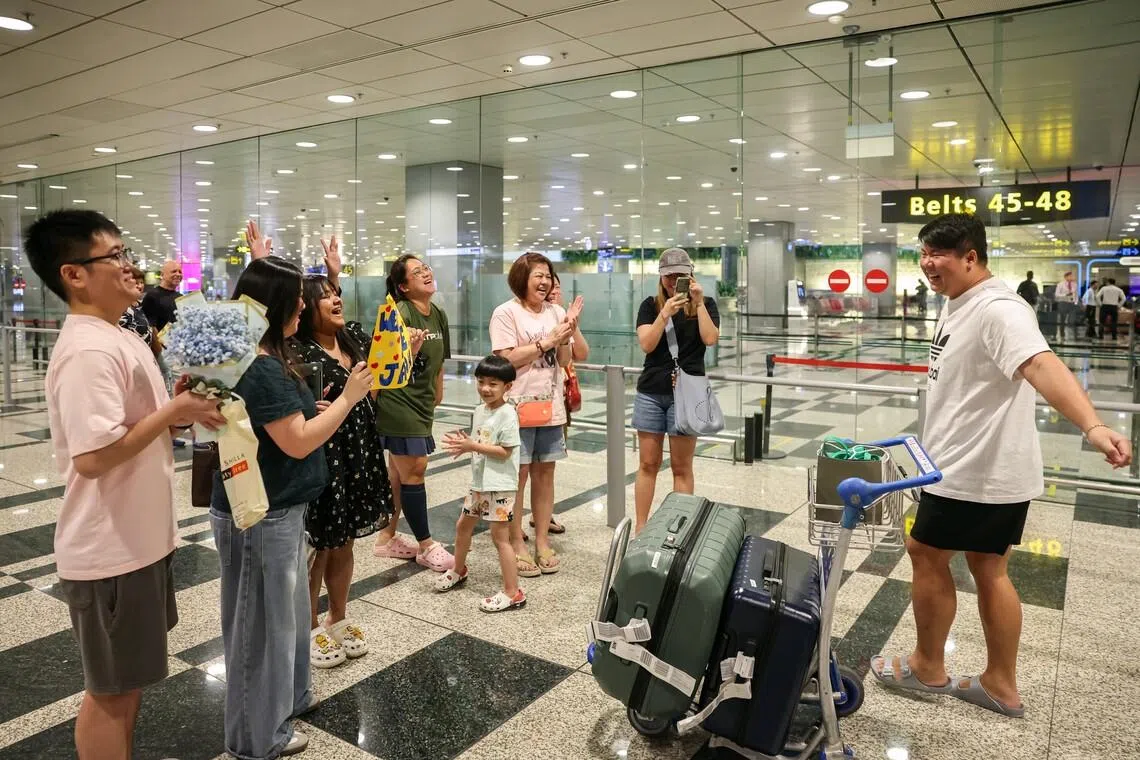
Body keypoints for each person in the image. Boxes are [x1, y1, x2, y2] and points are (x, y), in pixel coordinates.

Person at [871, 213, 1130, 720]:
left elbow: (1040, 363)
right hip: (976, 466)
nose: (928, 263)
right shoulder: (958, 302)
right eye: (923, 253)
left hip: (973, 470)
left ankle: (928, 667)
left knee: (925, 551)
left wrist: (1092, 426)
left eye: (940, 254)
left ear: (972, 257)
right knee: (989, 568)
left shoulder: (998, 308)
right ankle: (1000, 684)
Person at [26, 209, 225, 760]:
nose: (128, 265)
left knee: (127, 684)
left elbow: (143, 422)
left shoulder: (119, 335)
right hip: (108, 550)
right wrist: (170, 414)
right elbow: (91, 458)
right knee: (111, 694)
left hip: (138, 543)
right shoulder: (89, 349)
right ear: (74, 274)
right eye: (113, 255)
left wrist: (177, 409)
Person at [213, 255, 374, 758]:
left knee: (286, 617)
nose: (305, 304)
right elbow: (299, 443)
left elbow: (284, 426)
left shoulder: (267, 354)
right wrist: (346, 400)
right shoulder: (259, 366)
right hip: (262, 513)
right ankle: (256, 738)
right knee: (258, 628)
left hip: (282, 508)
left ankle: (290, 699)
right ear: (275, 304)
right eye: (298, 298)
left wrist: (315, 409)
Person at [293, 237, 422, 668]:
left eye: (336, 294)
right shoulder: (296, 352)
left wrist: (408, 353)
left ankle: (339, 617)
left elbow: (382, 377)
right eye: (326, 297)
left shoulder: (352, 339)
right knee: (322, 543)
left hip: (360, 448)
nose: (335, 300)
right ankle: (309, 626)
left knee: (345, 539)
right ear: (304, 309)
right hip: (323, 450)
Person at [490, 252, 584, 577]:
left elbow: (565, 358)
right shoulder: (506, 313)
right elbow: (506, 361)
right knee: (517, 478)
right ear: (522, 279)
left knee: (545, 476)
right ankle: (516, 542)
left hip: (550, 408)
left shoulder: (556, 311)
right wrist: (548, 341)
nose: (544, 282)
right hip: (514, 409)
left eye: (547, 276)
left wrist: (568, 331)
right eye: (537, 276)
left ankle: (542, 541)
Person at [371, 255, 455, 573]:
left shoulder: (438, 314)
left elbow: (440, 360)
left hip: (421, 403)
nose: (426, 273)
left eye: (426, 268)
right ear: (404, 286)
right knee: (415, 469)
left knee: (397, 473)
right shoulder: (397, 314)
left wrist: (439, 389)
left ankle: (386, 538)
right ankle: (426, 544)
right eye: (417, 272)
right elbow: (382, 364)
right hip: (398, 401)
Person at [631, 248, 720, 533]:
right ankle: (641, 528)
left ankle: (679, 529)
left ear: (690, 275)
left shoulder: (706, 303)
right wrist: (664, 314)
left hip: (688, 394)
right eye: (669, 276)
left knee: (682, 467)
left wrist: (699, 303)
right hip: (651, 392)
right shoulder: (650, 305)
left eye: (680, 275)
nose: (674, 281)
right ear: (661, 277)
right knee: (648, 463)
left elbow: (710, 338)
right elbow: (646, 343)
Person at [435, 355, 527, 612]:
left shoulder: (507, 414)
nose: (485, 388)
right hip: (479, 483)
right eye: (481, 381)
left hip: (500, 485)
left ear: (507, 387)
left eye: (493, 384)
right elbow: (480, 443)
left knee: (501, 538)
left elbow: (505, 451)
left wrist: (471, 446)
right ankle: (458, 569)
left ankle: (513, 592)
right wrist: (467, 446)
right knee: (462, 526)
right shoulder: (479, 410)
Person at [518, 270, 590, 542]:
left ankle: (541, 518)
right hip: (523, 403)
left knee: (546, 467)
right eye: (547, 284)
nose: (552, 290)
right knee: (521, 470)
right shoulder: (516, 313)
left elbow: (577, 355)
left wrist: (570, 325)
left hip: (556, 400)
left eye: (556, 285)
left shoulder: (558, 315)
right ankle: (513, 531)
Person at [118, 265, 154, 348]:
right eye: (137, 283)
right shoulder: (123, 308)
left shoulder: (141, 305)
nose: (140, 286)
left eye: (142, 283)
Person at [1052, 271, 1078, 341]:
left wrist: (1076, 302)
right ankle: (1062, 334)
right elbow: (1057, 294)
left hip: (1071, 303)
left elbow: (1075, 294)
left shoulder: (1074, 284)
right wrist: (1065, 295)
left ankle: (1075, 336)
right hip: (1063, 303)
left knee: (1073, 319)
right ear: (1066, 277)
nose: (1072, 277)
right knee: (1062, 320)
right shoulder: (1060, 284)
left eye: (1072, 276)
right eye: (1070, 276)